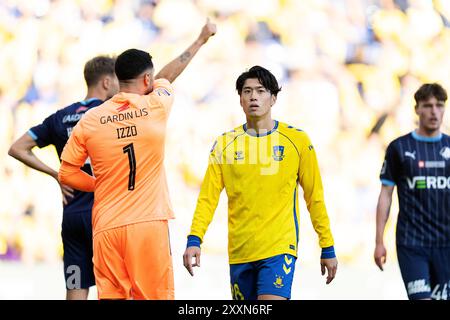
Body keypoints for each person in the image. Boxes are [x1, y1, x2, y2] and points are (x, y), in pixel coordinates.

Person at [58, 19, 216, 300]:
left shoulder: (91, 120)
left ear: (117, 79)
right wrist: (200, 40)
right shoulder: (156, 104)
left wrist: (100, 185)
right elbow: (169, 76)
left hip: (106, 227)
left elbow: (67, 173)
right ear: (147, 81)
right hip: (147, 225)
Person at [183, 66, 338, 300]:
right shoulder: (224, 144)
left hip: (279, 249)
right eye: (247, 91)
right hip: (240, 252)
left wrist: (327, 246)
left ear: (273, 98)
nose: (253, 96)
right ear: (240, 100)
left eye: (261, 90)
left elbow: (314, 197)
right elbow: (208, 197)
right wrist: (194, 239)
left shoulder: (297, 141)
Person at [8, 56, 119, 300]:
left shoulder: (61, 117)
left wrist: (58, 175)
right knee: (114, 289)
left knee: (75, 287)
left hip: (72, 215)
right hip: (105, 215)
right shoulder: (112, 114)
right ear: (107, 82)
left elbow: (17, 148)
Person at [374, 83, 450, 300]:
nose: (434, 111)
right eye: (427, 106)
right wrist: (379, 241)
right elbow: (386, 195)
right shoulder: (399, 148)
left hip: (446, 244)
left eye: (439, 105)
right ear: (417, 109)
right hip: (412, 242)